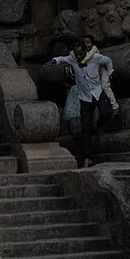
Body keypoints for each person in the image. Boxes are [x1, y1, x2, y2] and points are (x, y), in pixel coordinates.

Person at [45, 35, 114, 167]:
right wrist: (52, 62)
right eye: (76, 54)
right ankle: (87, 157)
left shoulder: (95, 58)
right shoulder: (72, 59)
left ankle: (99, 124)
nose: (78, 57)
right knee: (85, 128)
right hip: (84, 97)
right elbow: (61, 59)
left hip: (97, 92)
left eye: (81, 54)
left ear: (85, 51)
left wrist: (110, 73)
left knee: (107, 113)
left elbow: (108, 60)